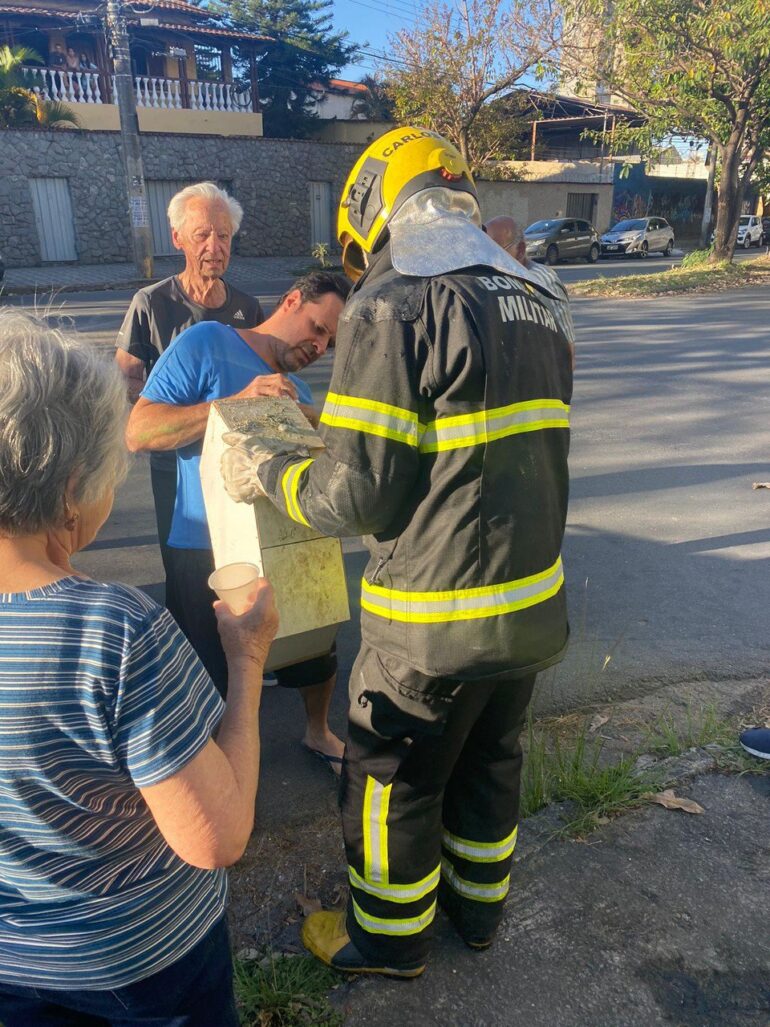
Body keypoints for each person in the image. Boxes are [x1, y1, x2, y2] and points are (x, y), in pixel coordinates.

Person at [250, 127, 572, 976]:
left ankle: (388, 942)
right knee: (488, 765)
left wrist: (273, 470)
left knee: (393, 778)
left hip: (430, 628)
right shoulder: (533, 292)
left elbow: (359, 493)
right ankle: (479, 915)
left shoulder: (395, 298)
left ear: (375, 206)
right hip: (530, 609)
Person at [0, 308, 278, 1027]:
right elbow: (215, 838)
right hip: (143, 966)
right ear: (70, 488)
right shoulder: (114, 632)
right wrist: (245, 663)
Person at [125, 271, 351, 772]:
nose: (321, 345)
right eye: (317, 328)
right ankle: (218, 774)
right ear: (291, 299)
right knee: (211, 672)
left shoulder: (293, 389)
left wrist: (315, 423)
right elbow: (139, 431)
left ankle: (318, 732)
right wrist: (233, 405)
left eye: (330, 341)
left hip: (280, 541)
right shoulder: (208, 340)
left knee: (315, 643)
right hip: (204, 545)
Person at [115, 182, 263, 605]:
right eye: (202, 235)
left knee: (244, 563)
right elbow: (124, 379)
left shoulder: (247, 309)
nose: (214, 246)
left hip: (238, 464)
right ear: (178, 238)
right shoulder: (151, 303)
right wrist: (181, 408)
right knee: (188, 576)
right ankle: (190, 662)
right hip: (175, 468)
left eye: (224, 236)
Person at [484, 214, 576, 369]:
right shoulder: (491, 281)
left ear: (520, 250)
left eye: (494, 253)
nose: (487, 260)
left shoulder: (543, 283)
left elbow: (567, 352)